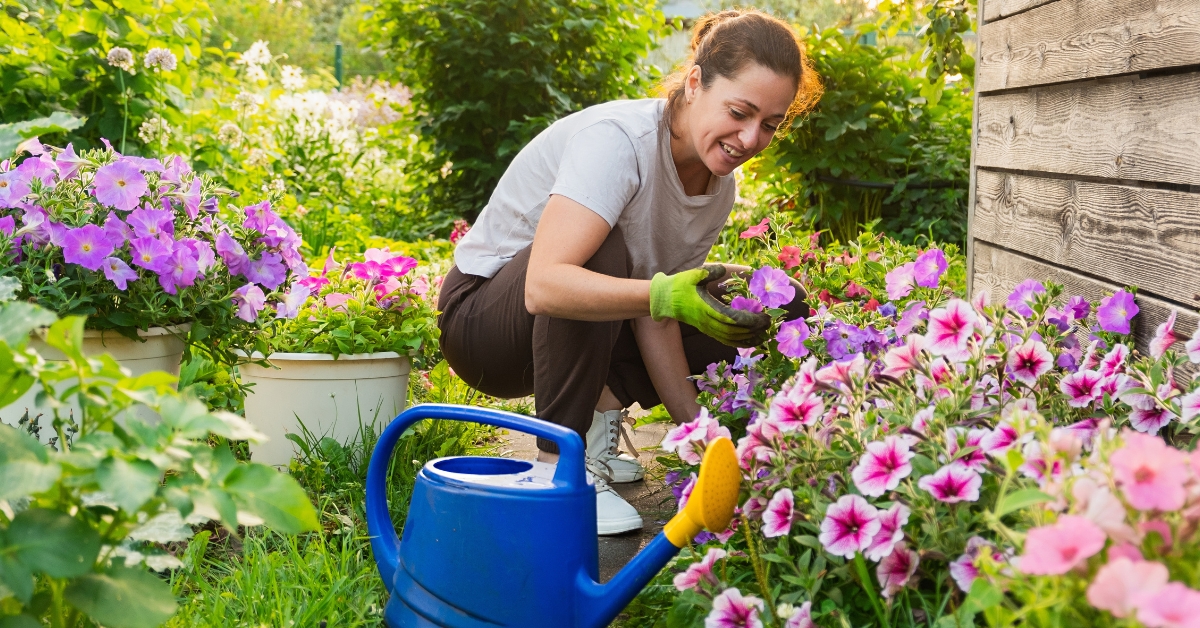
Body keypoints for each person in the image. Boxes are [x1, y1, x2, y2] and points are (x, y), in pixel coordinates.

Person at [438, 9, 821, 535]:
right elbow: (545, 285)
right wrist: (663, 295)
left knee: (767, 301)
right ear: (694, 83)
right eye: (739, 112)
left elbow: (655, 308)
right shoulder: (619, 141)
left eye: (770, 125)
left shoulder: (717, 186)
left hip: (561, 334)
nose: (751, 138)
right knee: (603, 249)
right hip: (483, 326)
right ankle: (559, 471)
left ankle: (596, 419)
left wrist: (703, 442)